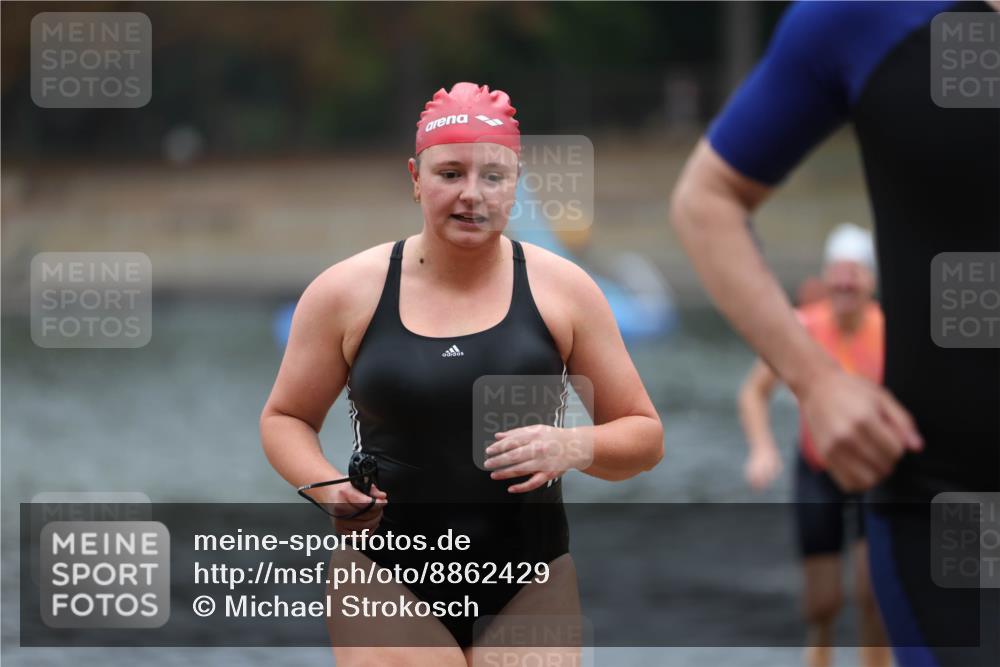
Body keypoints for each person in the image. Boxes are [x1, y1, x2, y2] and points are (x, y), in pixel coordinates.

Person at [260, 82, 664, 666]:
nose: (471, 194)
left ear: (516, 183)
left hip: (531, 580)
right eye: (450, 173)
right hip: (384, 576)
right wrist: (327, 488)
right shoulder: (345, 292)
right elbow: (285, 418)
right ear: (415, 178)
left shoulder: (565, 291)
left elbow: (644, 436)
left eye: (492, 176)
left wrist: (572, 446)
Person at [670, 2, 998, 665]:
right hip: (944, 511)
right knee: (825, 601)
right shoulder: (868, 14)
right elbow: (705, 200)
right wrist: (817, 384)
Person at [739, 223, 889, 667]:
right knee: (822, 603)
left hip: (875, 475)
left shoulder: (890, 332)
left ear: (871, 281)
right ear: (826, 279)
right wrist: (762, 448)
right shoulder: (803, 327)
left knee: (873, 594)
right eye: (837, 274)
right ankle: (820, 648)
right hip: (818, 469)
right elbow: (753, 393)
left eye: (854, 274)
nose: (845, 284)